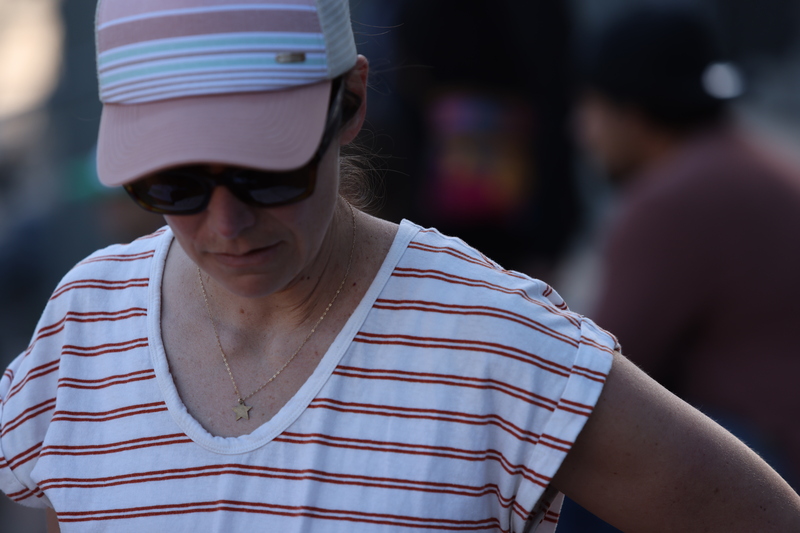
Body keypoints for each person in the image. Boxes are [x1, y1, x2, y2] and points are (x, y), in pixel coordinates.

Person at [0, 1, 798, 532]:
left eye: (266, 172)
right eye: (171, 185)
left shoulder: (492, 337)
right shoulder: (85, 323)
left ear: (350, 103)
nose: (225, 223)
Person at [575, 4, 800, 487]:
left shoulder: (671, 201)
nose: (581, 131)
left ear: (631, 115)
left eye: (590, 107)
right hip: (777, 450)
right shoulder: (756, 165)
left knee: (568, 467)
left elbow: (596, 373)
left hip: (771, 464)